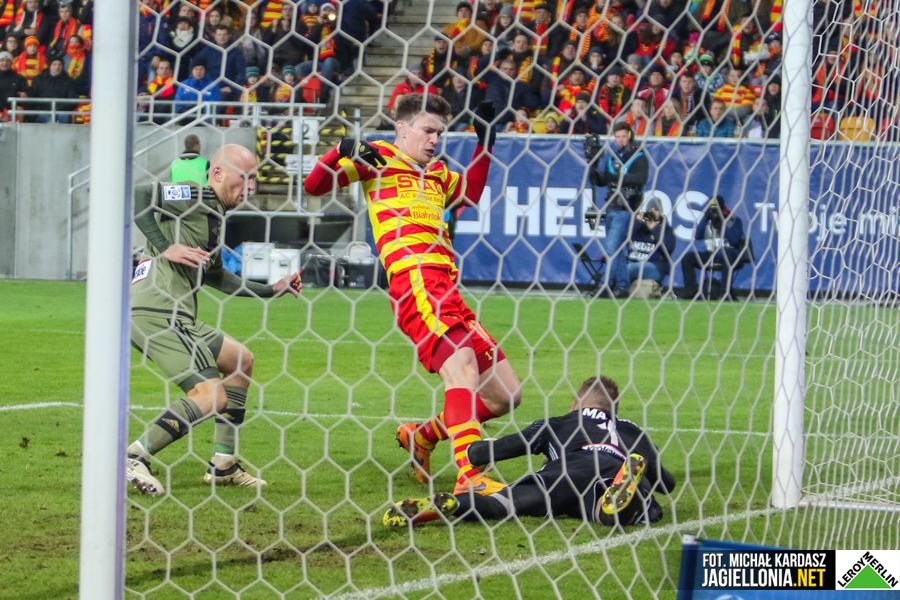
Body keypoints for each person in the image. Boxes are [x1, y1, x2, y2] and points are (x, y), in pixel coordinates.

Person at [304, 95, 523, 496]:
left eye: (440, 132)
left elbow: (471, 194)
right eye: (428, 130)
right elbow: (314, 186)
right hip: (415, 281)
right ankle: (469, 475)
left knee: (506, 394)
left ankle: (421, 435)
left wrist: (486, 141)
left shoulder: (438, 173)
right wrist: (342, 149)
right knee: (462, 371)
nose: (435, 139)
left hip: (448, 287)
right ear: (402, 128)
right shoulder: (378, 159)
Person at [125, 144, 304, 496]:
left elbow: (218, 276)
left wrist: (272, 289)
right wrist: (165, 247)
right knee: (211, 396)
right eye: (245, 177)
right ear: (218, 173)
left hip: (179, 317)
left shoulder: (213, 217)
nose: (250, 186)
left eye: (254, 179)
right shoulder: (196, 195)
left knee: (240, 360)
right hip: (158, 312)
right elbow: (141, 195)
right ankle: (134, 457)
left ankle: (223, 464)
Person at [383, 375, 676, 527]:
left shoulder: (559, 423)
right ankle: (616, 506)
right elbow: (667, 483)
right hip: (615, 470)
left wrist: (472, 447)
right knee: (640, 505)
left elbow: (485, 453)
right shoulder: (634, 431)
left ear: (576, 403)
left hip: (564, 473)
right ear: (614, 409)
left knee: (502, 505)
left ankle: (454, 504)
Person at [586, 121, 649, 299]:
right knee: (618, 250)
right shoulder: (612, 157)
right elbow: (604, 180)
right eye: (617, 137)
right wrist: (594, 171)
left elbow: (641, 178)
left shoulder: (639, 156)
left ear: (630, 136)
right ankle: (622, 285)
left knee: (612, 248)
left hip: (627, 207)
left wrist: (617, 177)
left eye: (623, 136)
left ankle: (606, 284)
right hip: (612, 207)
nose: (620, 140)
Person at [678, 195, 746, 300]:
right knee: (687, 258)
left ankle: (725, 293)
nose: (713, 210)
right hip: (711, 254)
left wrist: (722, 223)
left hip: (730, 254)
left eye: (715, 207)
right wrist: (705, 219)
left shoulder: (734, 220)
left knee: (727, 255)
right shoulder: (708, 220)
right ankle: (690, 291)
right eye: (711, 207)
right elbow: (697, 236)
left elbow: (735, 240)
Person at [627, 197, 676, 289]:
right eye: (650, 210)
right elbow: (626, 238)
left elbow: (668, 248)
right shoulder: (640, 228)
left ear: (660, 212)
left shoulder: (667, 230)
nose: (653, 212)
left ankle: (619, 288)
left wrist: (654, 228)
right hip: (633, 262)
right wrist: (636, 222)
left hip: (655, 267)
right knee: (619, 265)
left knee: (630, 268)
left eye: (656, 210)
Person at [192, 24, 247, 103]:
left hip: (227, 90)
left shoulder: (236, 52)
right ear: (215, 36)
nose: (222, 37)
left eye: (224, 34)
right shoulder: (208, 50)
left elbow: (243, 72)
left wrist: (232, 88)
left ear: (229, 35)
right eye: (219, 34)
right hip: (209, 87)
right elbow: (195, 64)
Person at [30, 55, 75, 122]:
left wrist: (58, 108)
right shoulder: (39, 79)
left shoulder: (69, 81)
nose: (57, 67)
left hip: (61, 111)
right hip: (43, 110)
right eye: (54, 64)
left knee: (64, 116)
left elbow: (72, 99)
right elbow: (33, 94)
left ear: (63, 66)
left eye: (60, 64)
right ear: (50, 66)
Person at [0, 50, 28, 118]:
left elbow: (26, 93)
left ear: (11, 63)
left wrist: (24, 95)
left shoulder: (19, 78)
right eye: (2, 60)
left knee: (19, 109)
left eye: (7, 61)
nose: (5, 63)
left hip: (12, 112)